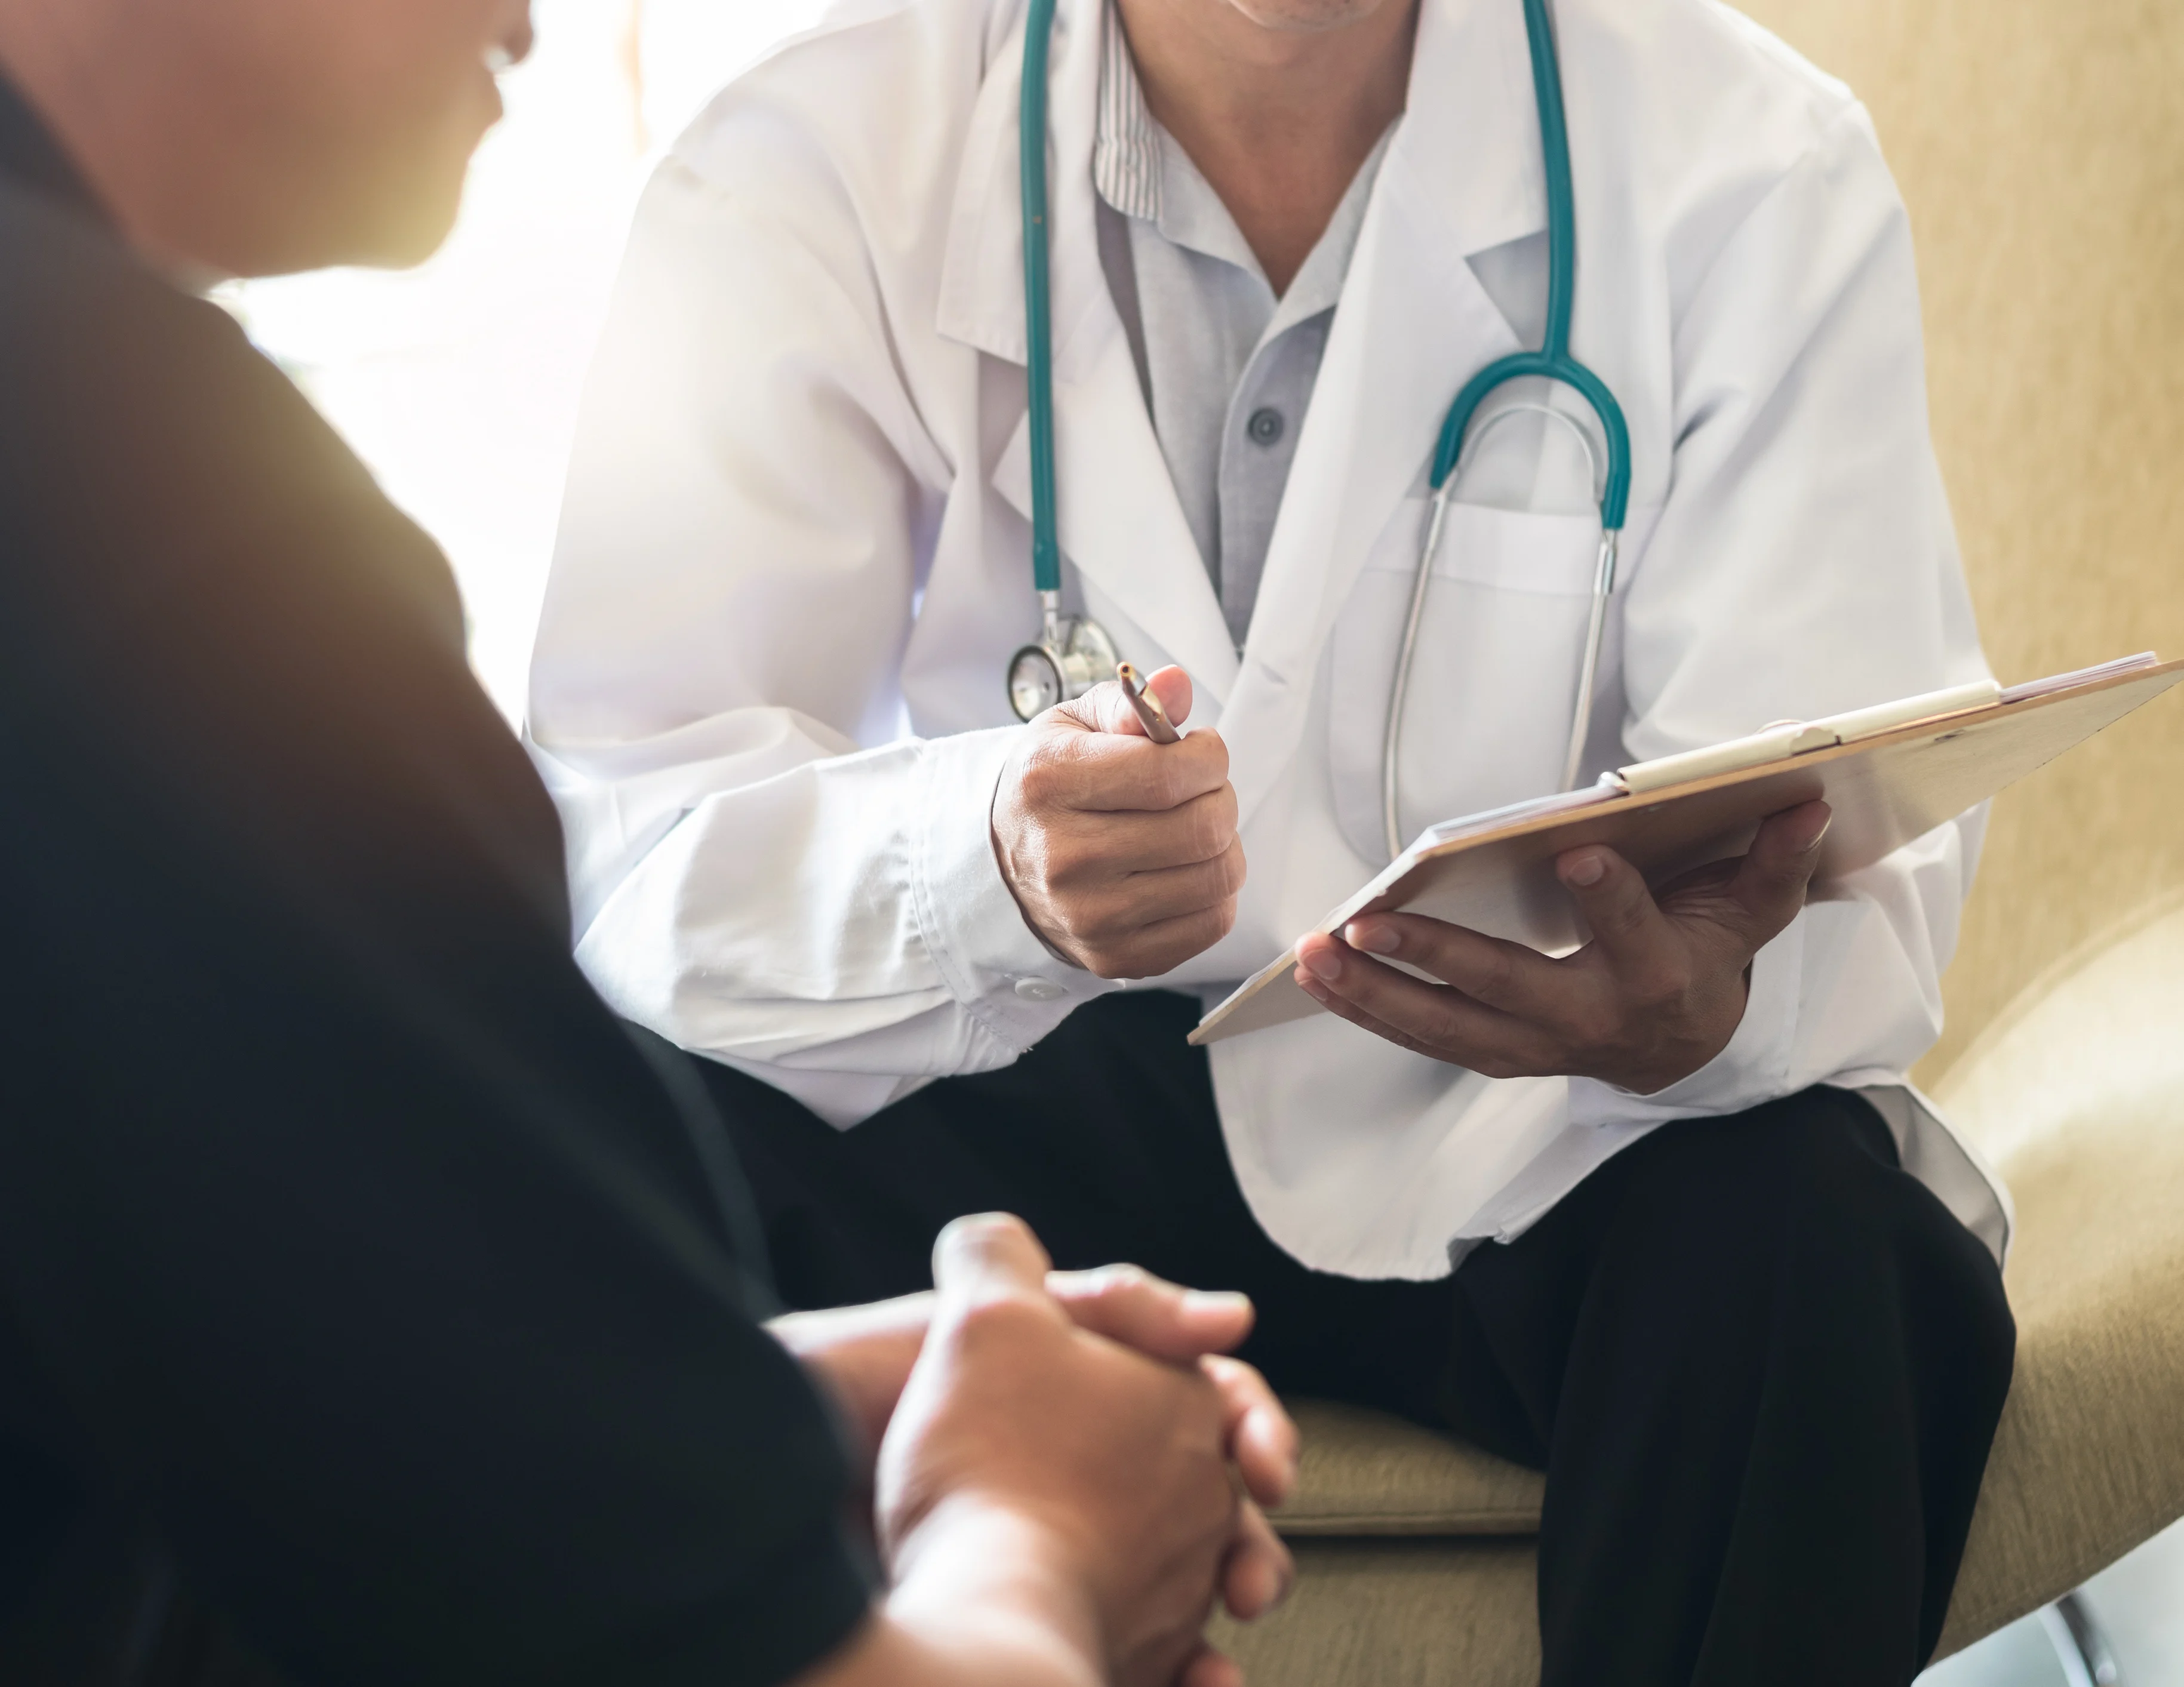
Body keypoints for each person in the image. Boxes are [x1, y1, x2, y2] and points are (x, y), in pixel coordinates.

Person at [530, 0, 2022, 1678]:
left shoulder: (1748, 160)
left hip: (1532, 1123)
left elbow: (1849, 809)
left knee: (1828, 1254)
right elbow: (631, 848)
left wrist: (1712, 997)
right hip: (1037, 1082)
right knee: (636, 1182)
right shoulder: (798, 162)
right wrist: (978, 864)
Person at [0, 1, 1299, 1683]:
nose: (532, 16)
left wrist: (717, 1414)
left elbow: (221, 1350)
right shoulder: (155, 517)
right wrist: (1045, 1529)